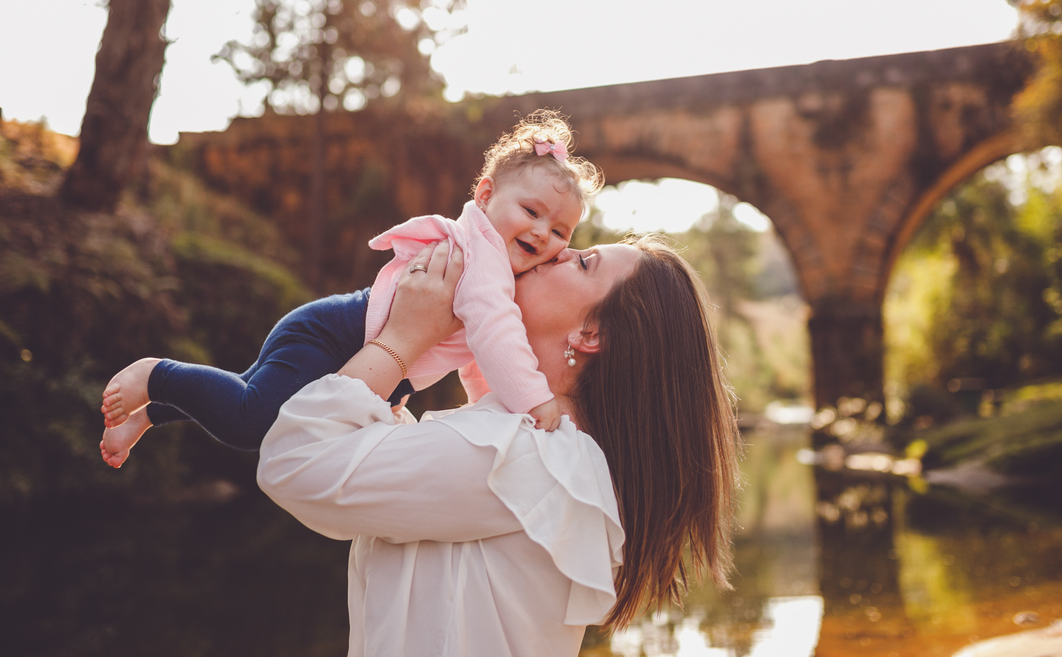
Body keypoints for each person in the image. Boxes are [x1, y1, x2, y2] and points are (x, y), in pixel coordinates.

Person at [258, 235, 741, 655]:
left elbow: (294, 461)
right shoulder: (552, 454)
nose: (560, 250)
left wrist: (402, 338)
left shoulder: (518, 455)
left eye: (583, 263)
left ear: (591, 334)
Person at [99, 111, 603, 468]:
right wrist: (535, 403)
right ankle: (156, 375)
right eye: (531, 212)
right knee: (253, 423)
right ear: (486, 195)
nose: (543, 233)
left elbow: (477, 353)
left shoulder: (497, 274)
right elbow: (497, 338)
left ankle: (150, 415)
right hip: (334, 337)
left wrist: (487, 405)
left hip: (345, 341)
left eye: (560, 231)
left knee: (248, 392)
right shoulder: (484, 259)